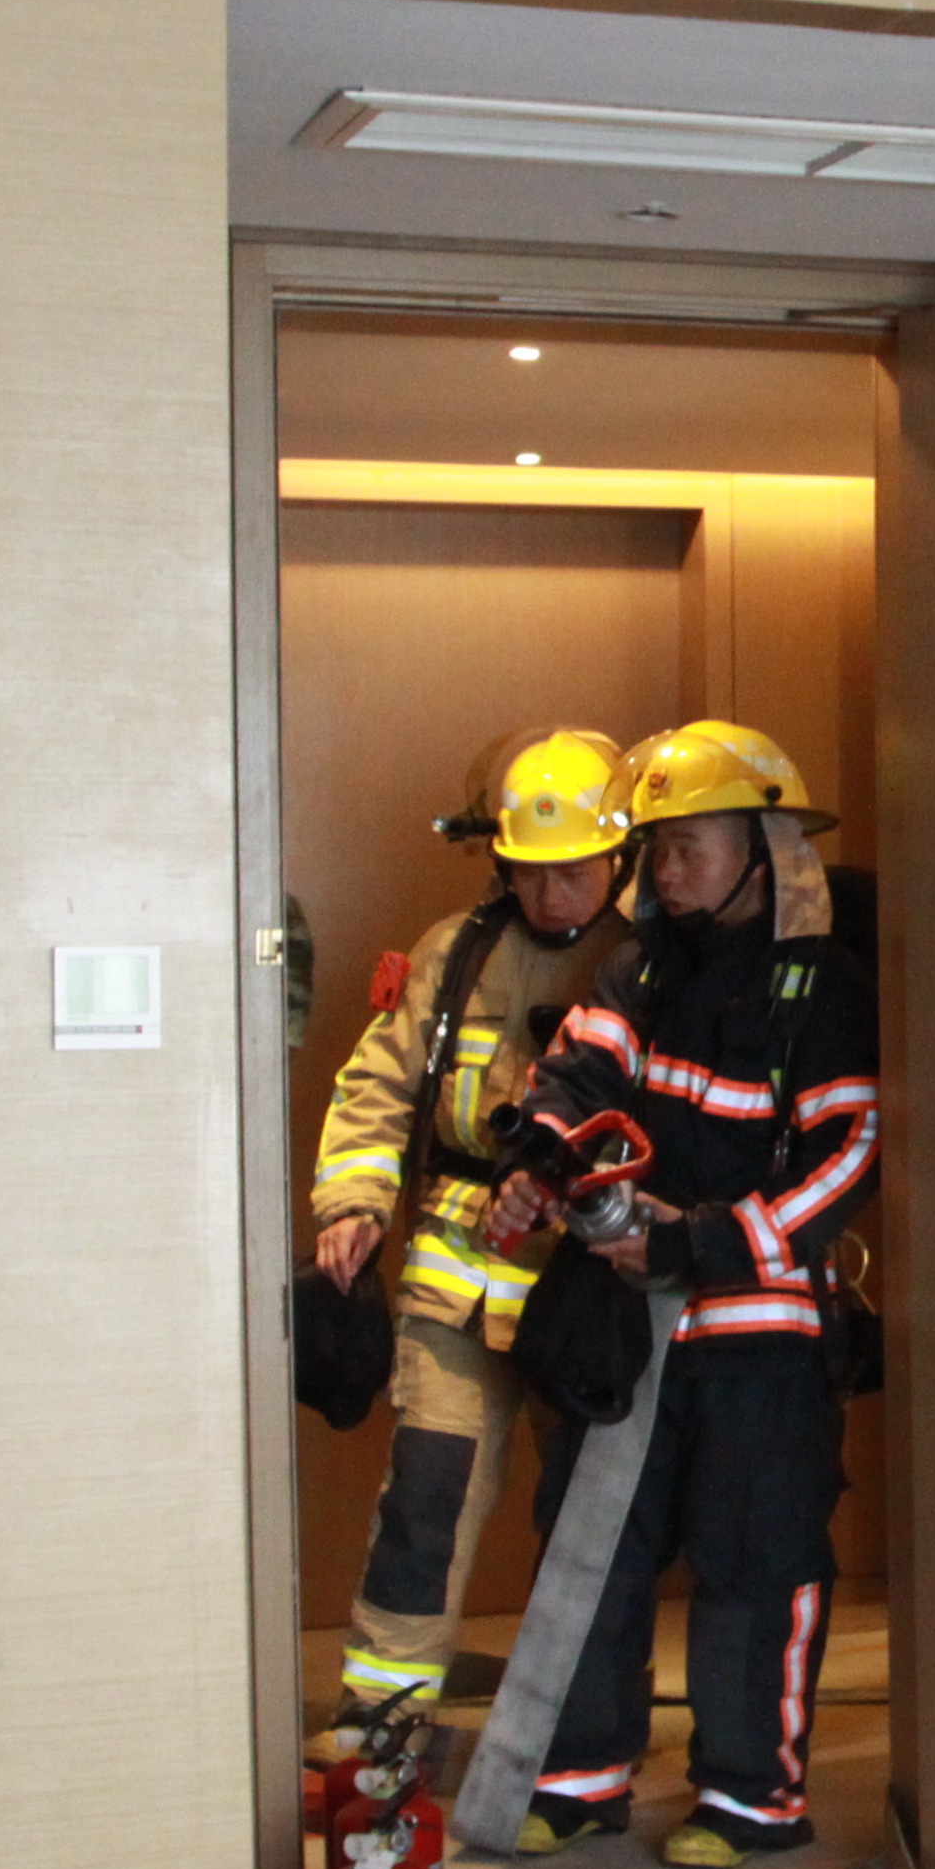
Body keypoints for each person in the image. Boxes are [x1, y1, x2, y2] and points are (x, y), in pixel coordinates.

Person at [499, 717, 878, 1869]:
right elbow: (579, 1073)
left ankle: (748, 1798)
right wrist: (542, 1153)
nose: (665, 872)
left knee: (754, 1560)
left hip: (760, 1330)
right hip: (630, 1324)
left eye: (689, 846)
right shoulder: (641, 969)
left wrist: (706, 1242)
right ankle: (577, 1778)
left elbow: (851, 1156)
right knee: (592, 1547)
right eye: (656, 848)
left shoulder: (825, 985)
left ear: (764, 848)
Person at [305, 725, 643, 1778]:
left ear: (620, 854)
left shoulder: (649, 962)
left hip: (586, 1288)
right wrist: (352, 1201)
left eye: (574, 870)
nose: (551, 893)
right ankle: (381, 1718)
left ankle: (573, 1741)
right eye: (530, 871)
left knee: (586, 1517)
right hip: (454, 1285)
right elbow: (377, 1084)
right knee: (427, 1499)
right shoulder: (454, 954)